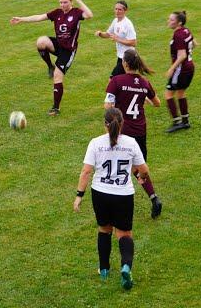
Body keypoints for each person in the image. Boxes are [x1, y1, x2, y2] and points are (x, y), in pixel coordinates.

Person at [73, 107, 150, 289]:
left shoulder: (95, 143)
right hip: (123, 195)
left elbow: (86, 171)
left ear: (104, 124)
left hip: (100, 194)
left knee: (104, 229)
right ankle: (125, 266)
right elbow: (144, 170)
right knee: (124, 234)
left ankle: (104, 269)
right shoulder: (131, 143)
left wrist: (79, 196)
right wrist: (141, 177)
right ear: (122, 124)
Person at [10, 0, 93, 116]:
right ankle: (50, 66)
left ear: (71, 2)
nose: (63, 5)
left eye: (65, 2)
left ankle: (56, 108)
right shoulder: (57, 13)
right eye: (61, 2)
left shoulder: (76, 13)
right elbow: (39, 17)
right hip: (58, 45)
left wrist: (80, 1)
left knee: (57, 77)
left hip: (68, 51)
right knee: (41, 41)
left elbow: (89, 15)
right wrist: (22, 19)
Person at [104, 49, 162, 218]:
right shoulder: (144, 83)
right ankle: (154, 198)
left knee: (119, 167)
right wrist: (141, 97)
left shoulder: (116, 81)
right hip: (140, 131)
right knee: (137, 168)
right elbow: (157, 103)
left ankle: (117, 203)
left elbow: (108, 106)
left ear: (125, 64)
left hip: (123, 131)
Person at [165, 11, 196, 133]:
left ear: (179, 22)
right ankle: (185, 121)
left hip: (181, 69)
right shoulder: (186, 30)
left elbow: (182, 55)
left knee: (168, 94)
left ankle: (177, 122)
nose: (169, 21)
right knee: (180, 93)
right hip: (190, 67)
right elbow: (194, 44)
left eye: (172, 20)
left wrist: (172, 68)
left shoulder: (178, 35)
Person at [94, 0, 137, 77]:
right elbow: (108, 34)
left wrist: (118, 39)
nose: (117, 11)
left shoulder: (128, 24)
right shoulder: (115, 21)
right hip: (120, 56)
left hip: (128, 57)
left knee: (113, 79)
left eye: (120, 9)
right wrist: (100, 33)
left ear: (125, 11)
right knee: (123, 81)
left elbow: (133, 43)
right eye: (116, 9)